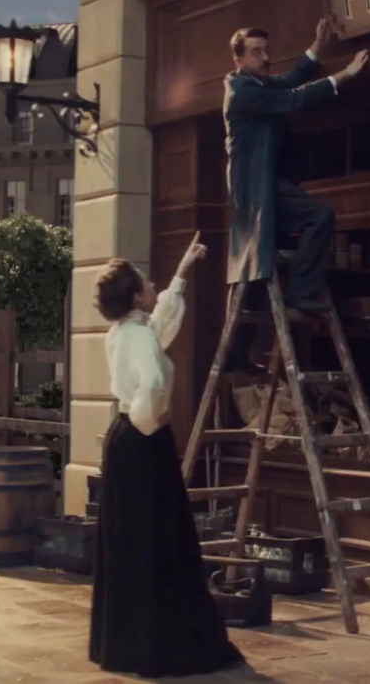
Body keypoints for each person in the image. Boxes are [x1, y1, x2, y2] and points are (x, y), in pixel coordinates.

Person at [88, 234, 246, 678]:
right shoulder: (136, 336)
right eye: (146, 281)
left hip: (124, 439)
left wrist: (182, 272)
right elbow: (155, 381)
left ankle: (128, 647)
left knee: (136, 541)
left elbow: (159, 328)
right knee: (156, 541)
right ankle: (157, 648)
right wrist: (151, 423)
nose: (153, 282)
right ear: (137, 296)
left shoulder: (124, 331)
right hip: (141, 440)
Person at [221, 18, 370, 375]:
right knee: (319, 216)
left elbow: (288, 83)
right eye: (256, 52)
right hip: (258, 191)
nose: (266, 57)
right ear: (238, 59)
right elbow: (293, 98)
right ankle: (301, 294)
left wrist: (315, 51)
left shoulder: (256, 84)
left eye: (266, 50)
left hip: (264, 189)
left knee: (256, 275)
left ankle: (236, 354)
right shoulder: (242, 91)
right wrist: (344, 76)